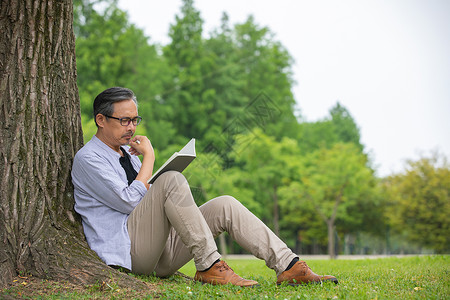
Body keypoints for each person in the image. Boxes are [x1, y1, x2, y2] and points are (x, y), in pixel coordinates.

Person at [72, 87, 338, 287]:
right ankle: (209, 265)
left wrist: (153, 184)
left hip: (158, 252)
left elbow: (141, 199)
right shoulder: (89, 158)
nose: (131, 128)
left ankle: (290, 267)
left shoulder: (127, 154)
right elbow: (128, 202)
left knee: (225, 204)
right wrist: (150, 158)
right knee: (170, 179)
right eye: (124, 121)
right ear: (101, 119)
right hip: (128, 252)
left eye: (135, 120)